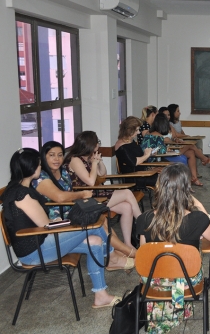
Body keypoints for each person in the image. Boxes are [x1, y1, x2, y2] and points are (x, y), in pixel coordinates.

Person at [2, 148, 125, 308]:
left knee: (94, 241)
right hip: (34, 250)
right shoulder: (23, 195)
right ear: (31, 168)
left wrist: (58, 220)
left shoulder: (17, 189)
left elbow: (41, 222)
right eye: (39, 164)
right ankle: (113, 256)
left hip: (38, 243)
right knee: (94, 225)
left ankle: (101, 295)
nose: (40, 167)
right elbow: (45, 225)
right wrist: (59, 222)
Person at [136, 163, 210, 333]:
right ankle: (179, 305)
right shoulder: (197, 219)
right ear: (186, 189)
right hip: (187, 283)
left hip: (154, 283)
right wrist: (200, 207)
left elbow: (144, 254)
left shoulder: (144, 218)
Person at [33, 141, 135, 265]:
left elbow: (100, 176)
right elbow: (59, 197)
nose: (57, 159)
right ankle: (128, 252)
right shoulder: (41, 177)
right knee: (98, 223)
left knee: (102, 218)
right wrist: (82, 195)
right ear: (44, 157)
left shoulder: (63, 172)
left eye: (60, 155)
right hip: (56, 220)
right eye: (52, 155)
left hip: (71, 212)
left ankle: (118, 254)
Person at [64, 131, 141, 256]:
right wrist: (94, 163)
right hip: (83, 199)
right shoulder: (75, 160)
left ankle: (128, 243)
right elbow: (89, 181)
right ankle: (143, 222)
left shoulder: (87, 158)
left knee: (127, 207)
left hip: (94, 194)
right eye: (97, 143)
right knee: (127, 193)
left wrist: (98, 161)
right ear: (89, 145)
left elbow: (102, 174)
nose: (98, 145)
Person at [142, 114, 210, 187]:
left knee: (190, 151)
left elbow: (160, 148)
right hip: (155, 160)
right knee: (186, 152)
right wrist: (169, 148)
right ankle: (185, 183)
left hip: (152, 158)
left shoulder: (148, 133)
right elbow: (162, 151)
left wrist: (173, 142)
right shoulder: (158, 136)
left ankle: (193, 178)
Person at [115, 116, 160, 188]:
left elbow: (140, 156)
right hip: (134, 177)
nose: (139, 132)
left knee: (166, 176)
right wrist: (146, 155)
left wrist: (149, 153)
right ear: (130, 130)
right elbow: (134, 162)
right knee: (165, 179)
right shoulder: (121, 146)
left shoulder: (131, 142)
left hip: (141, 174)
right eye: (137, 130)